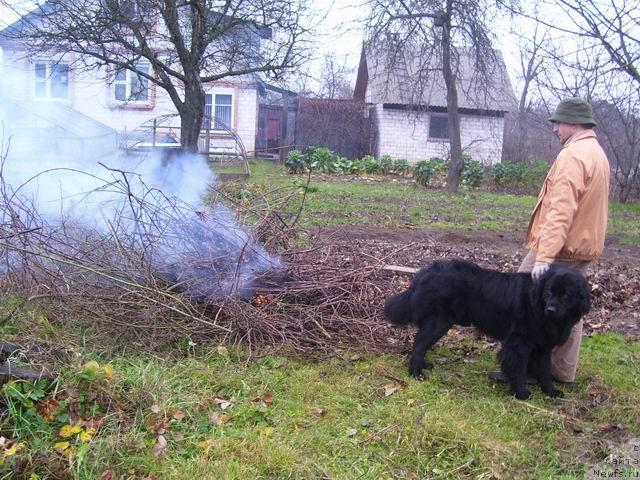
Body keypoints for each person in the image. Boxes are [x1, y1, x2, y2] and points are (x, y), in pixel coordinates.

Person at [521, 96, 610, 383]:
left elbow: (561, 211)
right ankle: (562, 370)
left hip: (562, 247)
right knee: (570, 307)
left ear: (572, 122)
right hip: (582, 246)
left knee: (523, 298)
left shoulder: (573, 156)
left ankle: (526, 366)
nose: (555, 129)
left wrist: (544, 258)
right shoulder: (596, 151)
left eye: (558, 123)